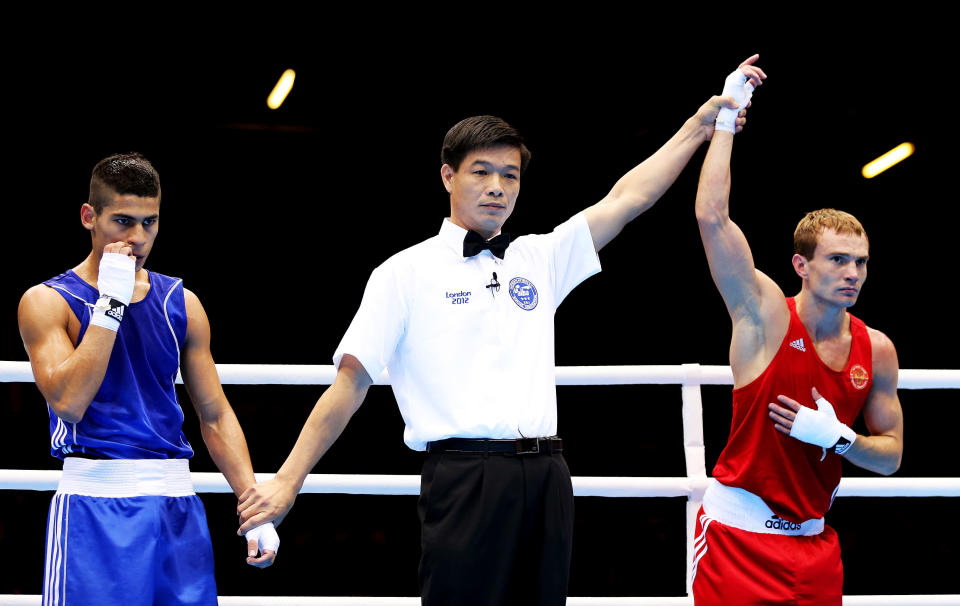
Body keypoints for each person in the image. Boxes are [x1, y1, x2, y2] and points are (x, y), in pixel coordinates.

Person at [236, 56, 761, 605]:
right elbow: (349, 385)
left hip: (548, 475)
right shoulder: (403, 272)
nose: (497, 188)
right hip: (464, 477)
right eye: (481, 172)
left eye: (509, 175)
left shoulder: (539, 257)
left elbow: (628, 199)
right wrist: (288, 482)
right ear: (448, 175)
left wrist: (699, 126)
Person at [17, 153, 279, 606]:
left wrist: (254, 508)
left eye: (149, 223)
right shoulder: (48, 301)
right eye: (122, 221)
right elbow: (69, 401)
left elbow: (214, 414)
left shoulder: (182, 302)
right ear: (89, 217)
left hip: (176, 504)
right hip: (94, 503)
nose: (137, 238)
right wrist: (110, 303)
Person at [691, 65, 904, 605]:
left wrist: (842, 439)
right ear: (801, 265)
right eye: (837, 260)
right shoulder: (763, 316)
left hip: (815, 548)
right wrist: (725, 123)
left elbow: (891, 456)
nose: (852, 273)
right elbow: (712, 218)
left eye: (860, 262)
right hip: (737, 542)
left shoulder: (876, 349)